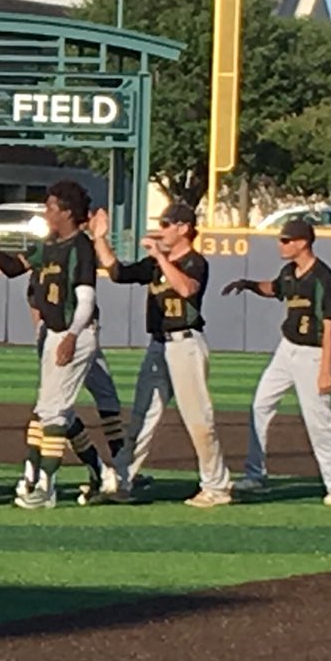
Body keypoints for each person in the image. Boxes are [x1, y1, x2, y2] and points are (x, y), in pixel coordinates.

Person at [90, 203, 231, 506]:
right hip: (158, 344)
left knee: (198, 418)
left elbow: (186, 289)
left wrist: (159, 256)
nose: (161, 230)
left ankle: (216, 486)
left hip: (186, 343)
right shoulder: (156, 263)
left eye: (167, 224)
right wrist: (100, 238)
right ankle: (123, 482)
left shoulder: (195, 261)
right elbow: (117, 273)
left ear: (184, 228)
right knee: (143, 416)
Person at [11, 180, 120, 510]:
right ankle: (100, 473)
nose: (46, 211)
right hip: (56, 332)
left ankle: (46, 486)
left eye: (51, 207)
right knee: (52, 408)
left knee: (57, 409)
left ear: (67, 212)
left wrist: (71, 336)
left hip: (77, 332)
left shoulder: (80, 247)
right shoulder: (50, 246)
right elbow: (12, 268)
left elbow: (86, 297)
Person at [226, 217, 331, 505]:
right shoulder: (290, 272)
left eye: (286, 240)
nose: (281, 244)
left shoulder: (322, 277)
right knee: (260, 405)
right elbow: (275, 288)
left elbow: (329, 324)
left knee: (319, 422)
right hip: (286, 349)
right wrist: (250, 284)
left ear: (302, 243)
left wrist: (325, 370)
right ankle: (256, 475)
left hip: (312, 353)